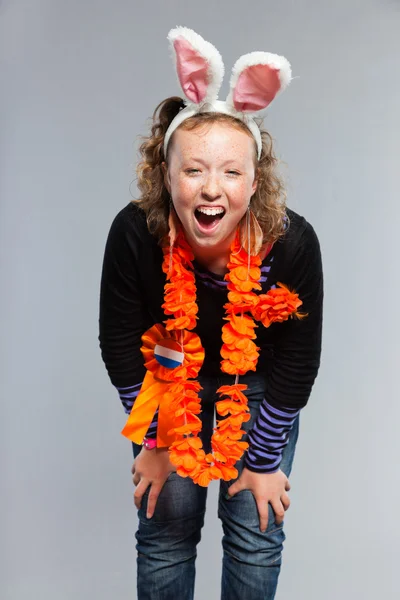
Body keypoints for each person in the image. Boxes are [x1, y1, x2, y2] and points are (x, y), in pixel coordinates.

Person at [98, 26, 323, 600]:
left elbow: (298, 362)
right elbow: (120, 343)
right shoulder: (135, 233)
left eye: (231, 172)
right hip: (165, 385)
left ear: (254, 182)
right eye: (194, 169)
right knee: (165, 533)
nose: (211, 189)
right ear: (165, 176)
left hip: (258, 390)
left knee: (255, 533)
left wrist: (265, 458)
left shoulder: (290, 244)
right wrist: (153, 441)